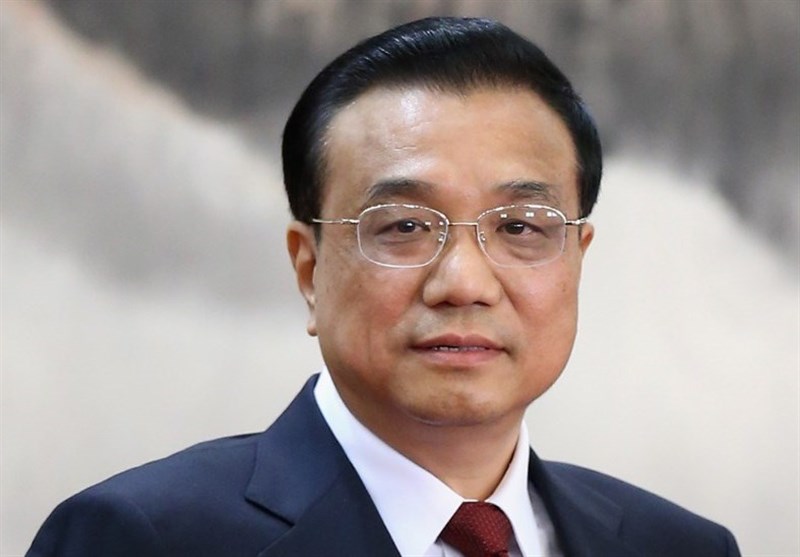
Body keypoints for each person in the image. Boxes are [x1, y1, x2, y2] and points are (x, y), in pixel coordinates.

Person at [27, 17, 740, 557]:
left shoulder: (680, 546)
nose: (464, 282)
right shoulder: (141, 537)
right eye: (404, 226)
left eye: (521, 226)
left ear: (578, 257)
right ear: (309, 269)